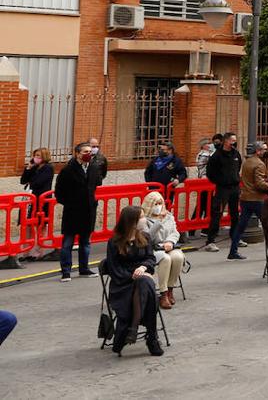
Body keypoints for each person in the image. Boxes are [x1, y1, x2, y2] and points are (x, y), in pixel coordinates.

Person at [103, 206, 163, 356]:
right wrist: (135, 275)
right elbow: (114, 269)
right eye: (141, 217)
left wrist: (143, 268)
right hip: (123, 286)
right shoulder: (114, 242)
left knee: (145, 284)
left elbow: (150, 259)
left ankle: (132, 329)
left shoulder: (145, 237)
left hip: (142, 283)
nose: (144, 220)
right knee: (147, 287)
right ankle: (152, 337)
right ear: (132, 221)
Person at [54, 142, 105, 281]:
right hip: (72, 211)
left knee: (85, 242)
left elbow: (98, 182)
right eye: (85, 152)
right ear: (77, 153)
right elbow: (59, 191)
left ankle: (84, 268)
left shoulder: (94, 168)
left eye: (90, 151)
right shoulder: (68, 170)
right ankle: (66, 271)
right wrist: (69, 202)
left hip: (88, 211)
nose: (89, 154)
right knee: (67, 243)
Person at [230, 141, 268, 260]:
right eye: (264, 149)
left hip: (246, 198)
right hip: (256, 199)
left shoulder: (247, 162)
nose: (266, 151)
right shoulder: (259, 164)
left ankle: (232, 251)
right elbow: (259, 184)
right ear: (258, 151)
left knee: (241, 226)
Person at [139, 191, 183, 310]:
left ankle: (170, 289)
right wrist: (158, 221)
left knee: (178, 257)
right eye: (156, 204)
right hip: (153, 249)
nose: (159, 207)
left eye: (160, 203)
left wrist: (170, 242)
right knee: (166, 258)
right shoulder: (143, 218)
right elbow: (147, 237)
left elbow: (175, 232)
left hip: (169, 246)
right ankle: (163, 293)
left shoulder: (169, 216)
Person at [203, 132, 242, 253]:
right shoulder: (216, 156)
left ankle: (235, 237)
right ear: (226, 141)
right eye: (232, 140)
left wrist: (234, 179)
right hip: (222, 189)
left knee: (235, 214)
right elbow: (210, 173)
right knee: (217, 213)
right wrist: (221, 181)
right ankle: (210, 241)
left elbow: (238, 166)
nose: (234, 143)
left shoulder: (236, 153)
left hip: (235, 188)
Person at [19, 147, 53, 261]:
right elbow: (23, 180)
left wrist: (31, 181)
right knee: (27, 225)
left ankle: (38, 252)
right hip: (30, 200)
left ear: (44, 157)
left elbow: (38, 183)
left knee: (40, 225)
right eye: (35, 155)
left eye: (38, 156)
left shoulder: (48, 168)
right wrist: (28, 168)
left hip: (41, 200)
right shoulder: (34, 167)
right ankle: (26, 252)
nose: (36, 158)